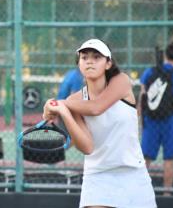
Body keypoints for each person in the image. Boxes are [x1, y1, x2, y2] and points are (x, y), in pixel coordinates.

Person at [43, 38, 156, 208]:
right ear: (79, 64)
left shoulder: (122, 81)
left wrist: (60, 104)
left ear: (108, 63)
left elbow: (96, 108)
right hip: (98, 176)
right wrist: (65, 113)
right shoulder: (74, 101)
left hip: (133, 174)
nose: (90, 61)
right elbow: (87, 146)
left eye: (96, 57)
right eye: (84, 57)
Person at [138, 42, 173, 196]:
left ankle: (139, 192)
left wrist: (141, 122)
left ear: (165, 54)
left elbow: (142, 98)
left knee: (145, 158)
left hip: (151, 120)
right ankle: (167, 194)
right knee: (169, 159)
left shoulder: (149, 72)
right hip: (169, 121)